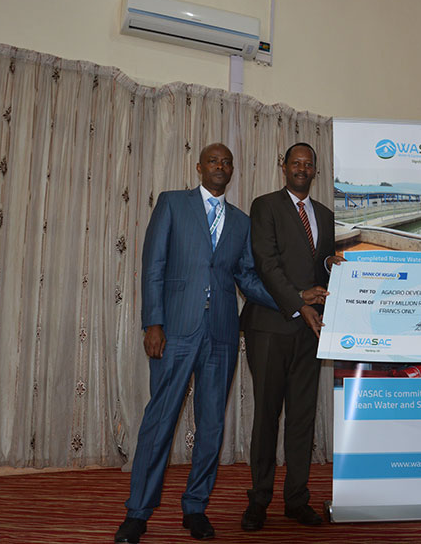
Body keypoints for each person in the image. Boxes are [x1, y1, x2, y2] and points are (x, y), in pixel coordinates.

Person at [115, 143, 281, 543]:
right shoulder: (172, 204)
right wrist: (153, 322)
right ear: (199, 167)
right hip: (174, 332)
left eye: (226, 162)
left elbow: (247, 277)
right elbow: (152, 265)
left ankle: (196, 507)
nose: (219, 167)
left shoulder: (241, 222)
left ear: (232, 170)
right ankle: (138, 513)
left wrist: (293, 301)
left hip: (222, 336)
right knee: (160, 420)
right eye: (213, 161)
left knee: (211, 426)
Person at [239, 142, 344, 531]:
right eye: (295, 162)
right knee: (267, 417)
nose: (302, 168)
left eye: (308, 164)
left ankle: (296, 499)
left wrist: (335, 266)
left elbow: (327, 268)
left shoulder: (327, 216)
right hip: (271, 324)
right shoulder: (265, 206)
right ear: (283, 166)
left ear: (315, 171)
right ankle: (259, 499)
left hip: (312, 331)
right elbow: (265, 262)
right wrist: (300, 302)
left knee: (301, 418)